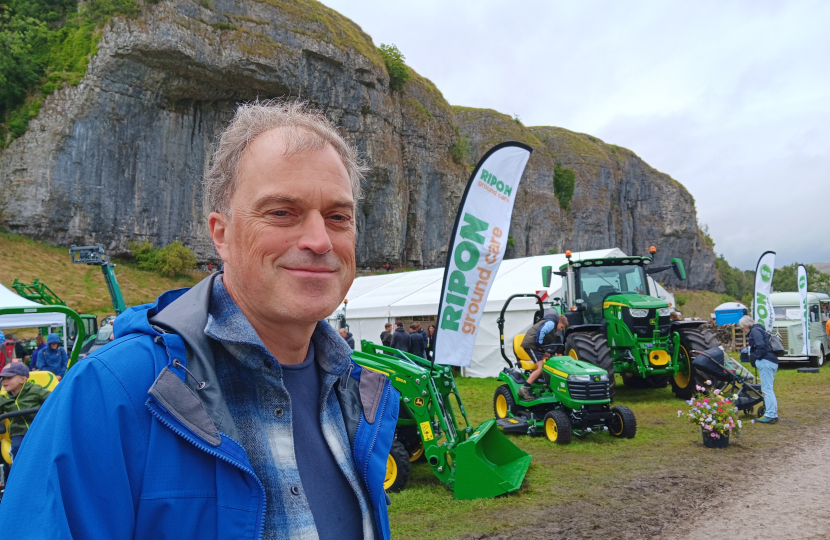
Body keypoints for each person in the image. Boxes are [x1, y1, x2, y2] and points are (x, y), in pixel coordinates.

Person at [0, 101, 399, 540]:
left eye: (338, 217)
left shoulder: (358, 394)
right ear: (222, 235)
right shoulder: (113, 393)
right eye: (282, 212)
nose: (320, 240)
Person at [0, 363, 50, 481]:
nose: (4, 381)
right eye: (3, 378)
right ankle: (19, 477)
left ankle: (46, 474)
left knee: (45, 447)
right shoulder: (4, 398)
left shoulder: (35, 390)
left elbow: (53, 401)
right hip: (18, 431)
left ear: (23, 379)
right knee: (17, 448)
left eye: (9, 378)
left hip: (39, 428)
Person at [518, 313, 569, 401]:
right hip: (531, 345)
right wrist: (539, 345)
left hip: (535, 345)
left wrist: (546, 351)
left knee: (550, 359)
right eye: (561, 327)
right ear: (559, 322)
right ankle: (524, 388)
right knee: (541, 367)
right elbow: (541, 331)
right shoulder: (551, 323)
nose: (561, 329)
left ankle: (545, 384)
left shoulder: (553, 326)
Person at [740, 315, 778, 424]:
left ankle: (770, 415)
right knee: (769, 389)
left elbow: (761, 346)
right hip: (771, 361)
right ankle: (773, 414)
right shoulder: (760, 329)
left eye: (743, 328)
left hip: (766, 361)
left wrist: (757, 358)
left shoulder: (754, 331)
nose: (743, 330)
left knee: (767, 390)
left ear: (747, 325)